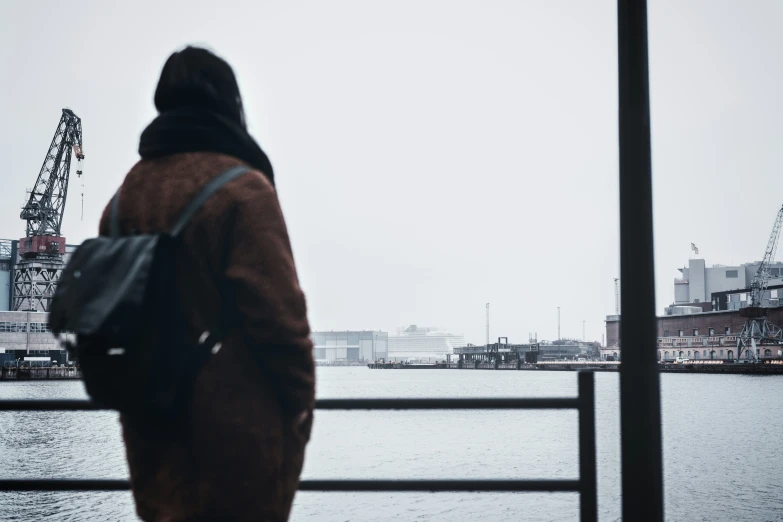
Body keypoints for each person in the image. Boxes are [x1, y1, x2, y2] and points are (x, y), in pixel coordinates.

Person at [100, 46, 315, 522]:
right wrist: (297, 418)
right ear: (230, 103)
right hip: (236, 436)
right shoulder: (242, 191)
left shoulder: (123, 199)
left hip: (150, 429)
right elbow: (282, 322)